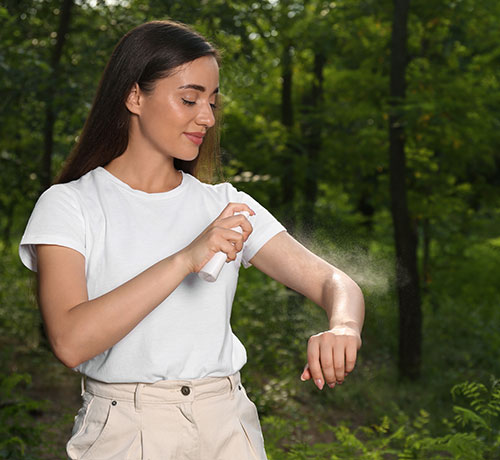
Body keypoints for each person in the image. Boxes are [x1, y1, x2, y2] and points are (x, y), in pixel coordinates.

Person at [18, 20, 364, 460]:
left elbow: (335, 283)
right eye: (189, 99)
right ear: (134, 96)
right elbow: (70, 341)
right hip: (126, 432)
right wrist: (185, 258)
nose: (208, 117)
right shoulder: (71, 205)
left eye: (213, 102)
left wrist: (343, 326)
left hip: (228, 427)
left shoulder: (225, 205)